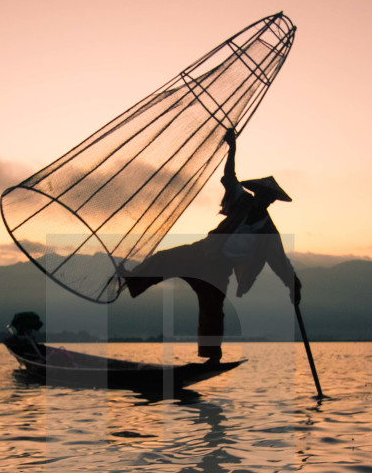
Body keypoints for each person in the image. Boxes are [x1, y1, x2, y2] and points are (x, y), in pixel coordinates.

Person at [121, 129, 301, 364]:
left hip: (219, 268)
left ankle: (212, 356)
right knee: (162, 259)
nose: (261, 200)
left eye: (266, 198)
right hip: (201, 252)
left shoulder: (267, 231)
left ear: (270, 202)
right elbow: (229, 178)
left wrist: (293, 285)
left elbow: (280, 262)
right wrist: (232, 149)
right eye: (259, 195)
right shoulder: (241, 202)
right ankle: (133, 280)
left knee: (212, 309)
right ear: (255, 195)